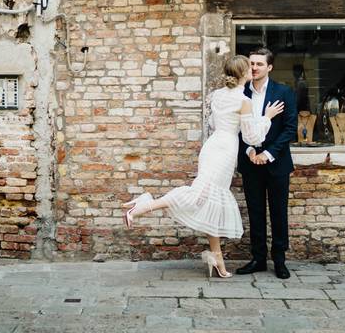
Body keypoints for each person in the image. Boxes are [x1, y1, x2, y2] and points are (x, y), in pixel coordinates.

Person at [122, 55, 284, 278]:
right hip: (225, 149)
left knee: (210, 203)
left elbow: (212, 123)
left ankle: (217, 259)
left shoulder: (216, 95)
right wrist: (266, 117)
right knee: (199, 196)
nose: (252, 70)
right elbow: (252, 136)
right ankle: (144, 205)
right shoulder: (243, 100)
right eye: (249, 68)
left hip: (213, 146)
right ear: (242, 74)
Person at [237, 47, 298, 279]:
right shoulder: (241, 92)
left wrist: (268, 153)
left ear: (269, 67)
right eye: (251, 63)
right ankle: (258, 258)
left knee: (278, 212)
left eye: (259, 64)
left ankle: (280, 260)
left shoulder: (283, 92)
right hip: (250, 161)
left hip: (277, 163)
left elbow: (290, 128)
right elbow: (237, 128)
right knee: (255, 212)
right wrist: (251, 151)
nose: (254, 67)